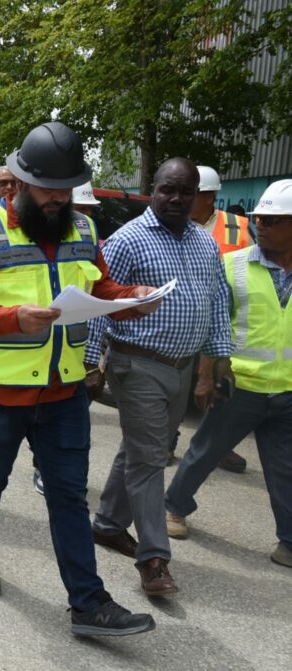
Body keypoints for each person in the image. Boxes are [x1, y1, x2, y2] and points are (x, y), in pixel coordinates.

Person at [0, 121, 160, 637]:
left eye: (65, 192)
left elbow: (101, 288)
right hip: (1, 392)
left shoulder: (84, 231)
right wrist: (11, 317)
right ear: (18, 183)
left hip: (66, 390)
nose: (57, 201)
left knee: (68, 495)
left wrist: (133, 298)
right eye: (47, 191)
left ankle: (88, 603)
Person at [85, 158, 234, 598]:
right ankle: (153, 558)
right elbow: (100, 299)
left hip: (182, 368)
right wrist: (93, 363)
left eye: (185, 192)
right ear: (154, 188)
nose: (176, 198)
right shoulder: (129, 240)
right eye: (168, 189)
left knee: (140, 448)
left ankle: (109, 523)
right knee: (151, 459)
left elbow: (216, 301)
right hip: (137, 364)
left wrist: (219, 359)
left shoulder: (204, 243)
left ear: (197, 196)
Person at [163, 180, 292, 568]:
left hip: (286, 389)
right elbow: (214, 325)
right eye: (258, 220)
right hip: (239, 384)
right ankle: (174, 506)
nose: (261, 226)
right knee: (206, 450)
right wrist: (207, 376)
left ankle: (288, 540)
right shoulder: (234, 266)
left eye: (271, 220)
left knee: (285, 468)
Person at [191, 164, 254, 475]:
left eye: (194, 194)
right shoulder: (173, 223)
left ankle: (219, 445)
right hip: (184, 318)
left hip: (221, 318)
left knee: (219, 386)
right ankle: (164, 441)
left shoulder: (238, 227)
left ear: (209, 197)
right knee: (174, 385)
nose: (186, 199)